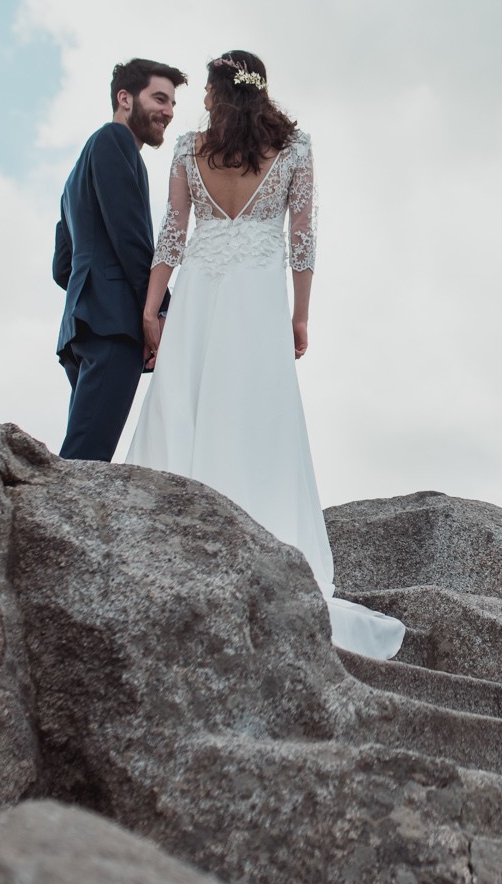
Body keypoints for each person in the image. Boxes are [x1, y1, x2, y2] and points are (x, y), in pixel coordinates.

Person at [124, 50, 404, 660]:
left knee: (188, 406)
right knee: (255, 416)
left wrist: (152, 308)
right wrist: (300, 314)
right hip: (256, 298)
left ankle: (172, 548)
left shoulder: (188, 149)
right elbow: (300, 239)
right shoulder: (295, 148)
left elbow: (173, 231)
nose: (196, 102)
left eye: (202, 92)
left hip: (198, 290)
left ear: (217, 95)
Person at [53, 58, 184, 460]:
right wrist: (161, 308)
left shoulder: (76, 172)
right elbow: (130, 238)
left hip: (84, 324)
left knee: (85, 449)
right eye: (159, 98)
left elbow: (63, 266)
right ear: (124, 98)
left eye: (173, 104)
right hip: (112, 327)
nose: (168, 111)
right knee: (86, 460)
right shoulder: (115, 141)